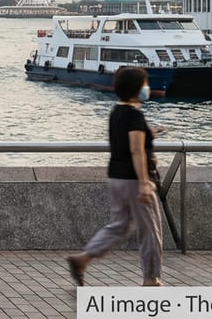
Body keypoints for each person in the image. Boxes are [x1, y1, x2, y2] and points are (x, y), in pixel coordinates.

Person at [67, 66, 165, 287]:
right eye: (145, 84)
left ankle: (83, 258)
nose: (147, 88)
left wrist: (151, 132)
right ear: (137, 88)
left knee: (119, 225)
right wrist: (144, 184)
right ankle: (152, 278)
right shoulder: (136, 116)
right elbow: (136, 150)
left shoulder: (117, 112)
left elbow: (128, 136)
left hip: (116, 177)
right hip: (134, 180)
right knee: (150, 230)